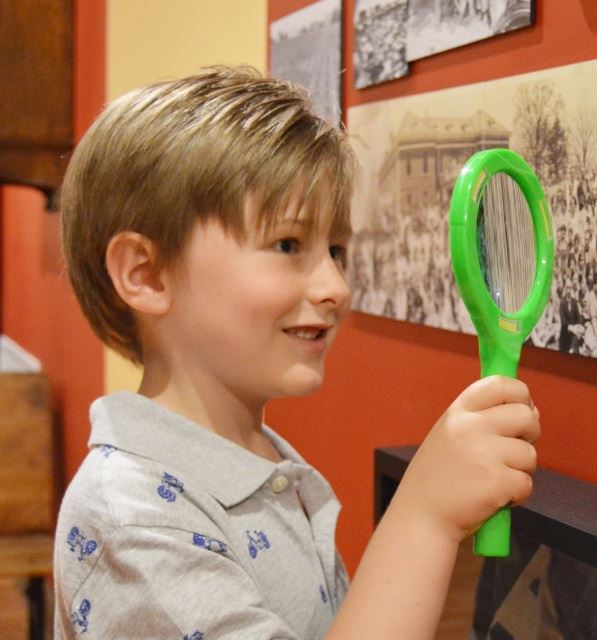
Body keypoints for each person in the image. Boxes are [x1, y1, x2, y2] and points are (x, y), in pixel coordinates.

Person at [55, 67, 541, 640]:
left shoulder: (259, 457)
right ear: (147, 273)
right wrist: (423, 517)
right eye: (288, 244)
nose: (335, 286)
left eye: (335, 249)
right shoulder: (129, 520)